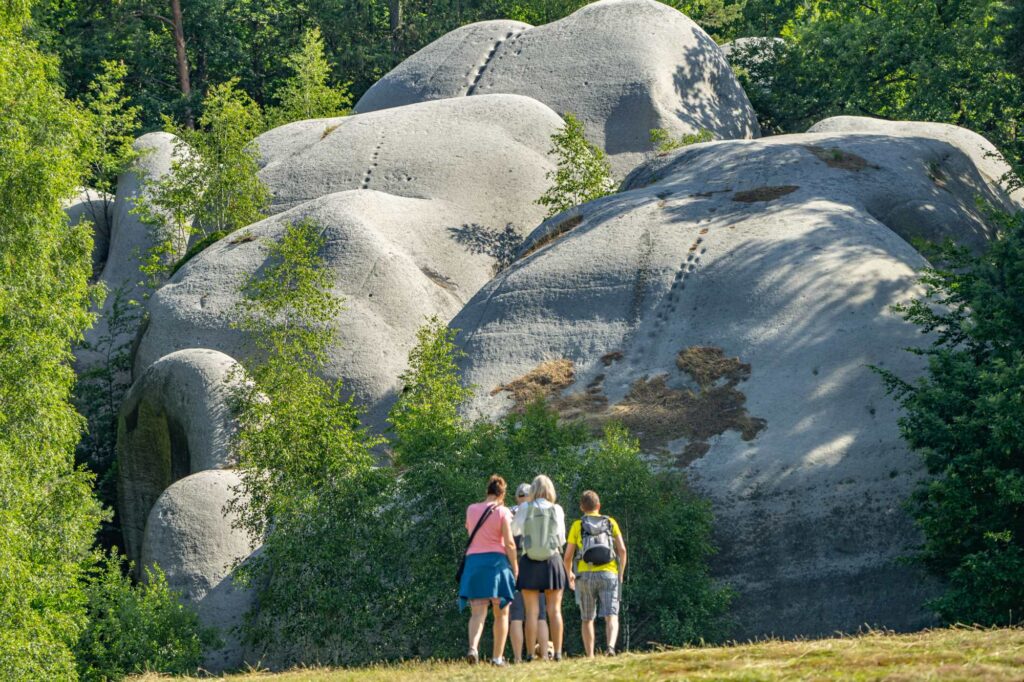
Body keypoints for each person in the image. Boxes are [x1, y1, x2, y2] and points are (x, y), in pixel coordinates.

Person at [459, 475, 519, 666]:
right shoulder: (503, 512)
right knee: (501, 612)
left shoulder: (471, 509)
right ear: (502, 494)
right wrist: (515, 568)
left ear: (488, 491)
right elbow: (509, 543)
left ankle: (473, 648)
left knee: (477, 612)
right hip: (496, 563)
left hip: (474, 563)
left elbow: (469, 530)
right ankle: (497, 658)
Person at [563, 489, 627, 657]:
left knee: (587, 618)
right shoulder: (611, 522)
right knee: (611, 615)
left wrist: (569, 573)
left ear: (581, 508)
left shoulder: (578, 525)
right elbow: (622, 550)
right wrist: (620, 573)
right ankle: (610, 648)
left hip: (585, 576)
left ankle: (590, 655)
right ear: (599, 505)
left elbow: (568, 556)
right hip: (609, 574)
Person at [512, 474, 567, 662]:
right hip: (552, 561)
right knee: (555, 610)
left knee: (532, 612)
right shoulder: (557, 509)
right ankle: (558, 652)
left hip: (529, 561)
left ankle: (529, 654)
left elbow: (515, 531)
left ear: (533, 490)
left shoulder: (525, 508)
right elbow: (561, 539)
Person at [508, 482, 550, 663]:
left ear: (517, 497)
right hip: (533, 563)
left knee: (516, 615)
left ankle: (518, 658)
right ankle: (546, 656)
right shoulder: (535, 510)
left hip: (511, 565)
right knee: (540, 614)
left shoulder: (509, 512)